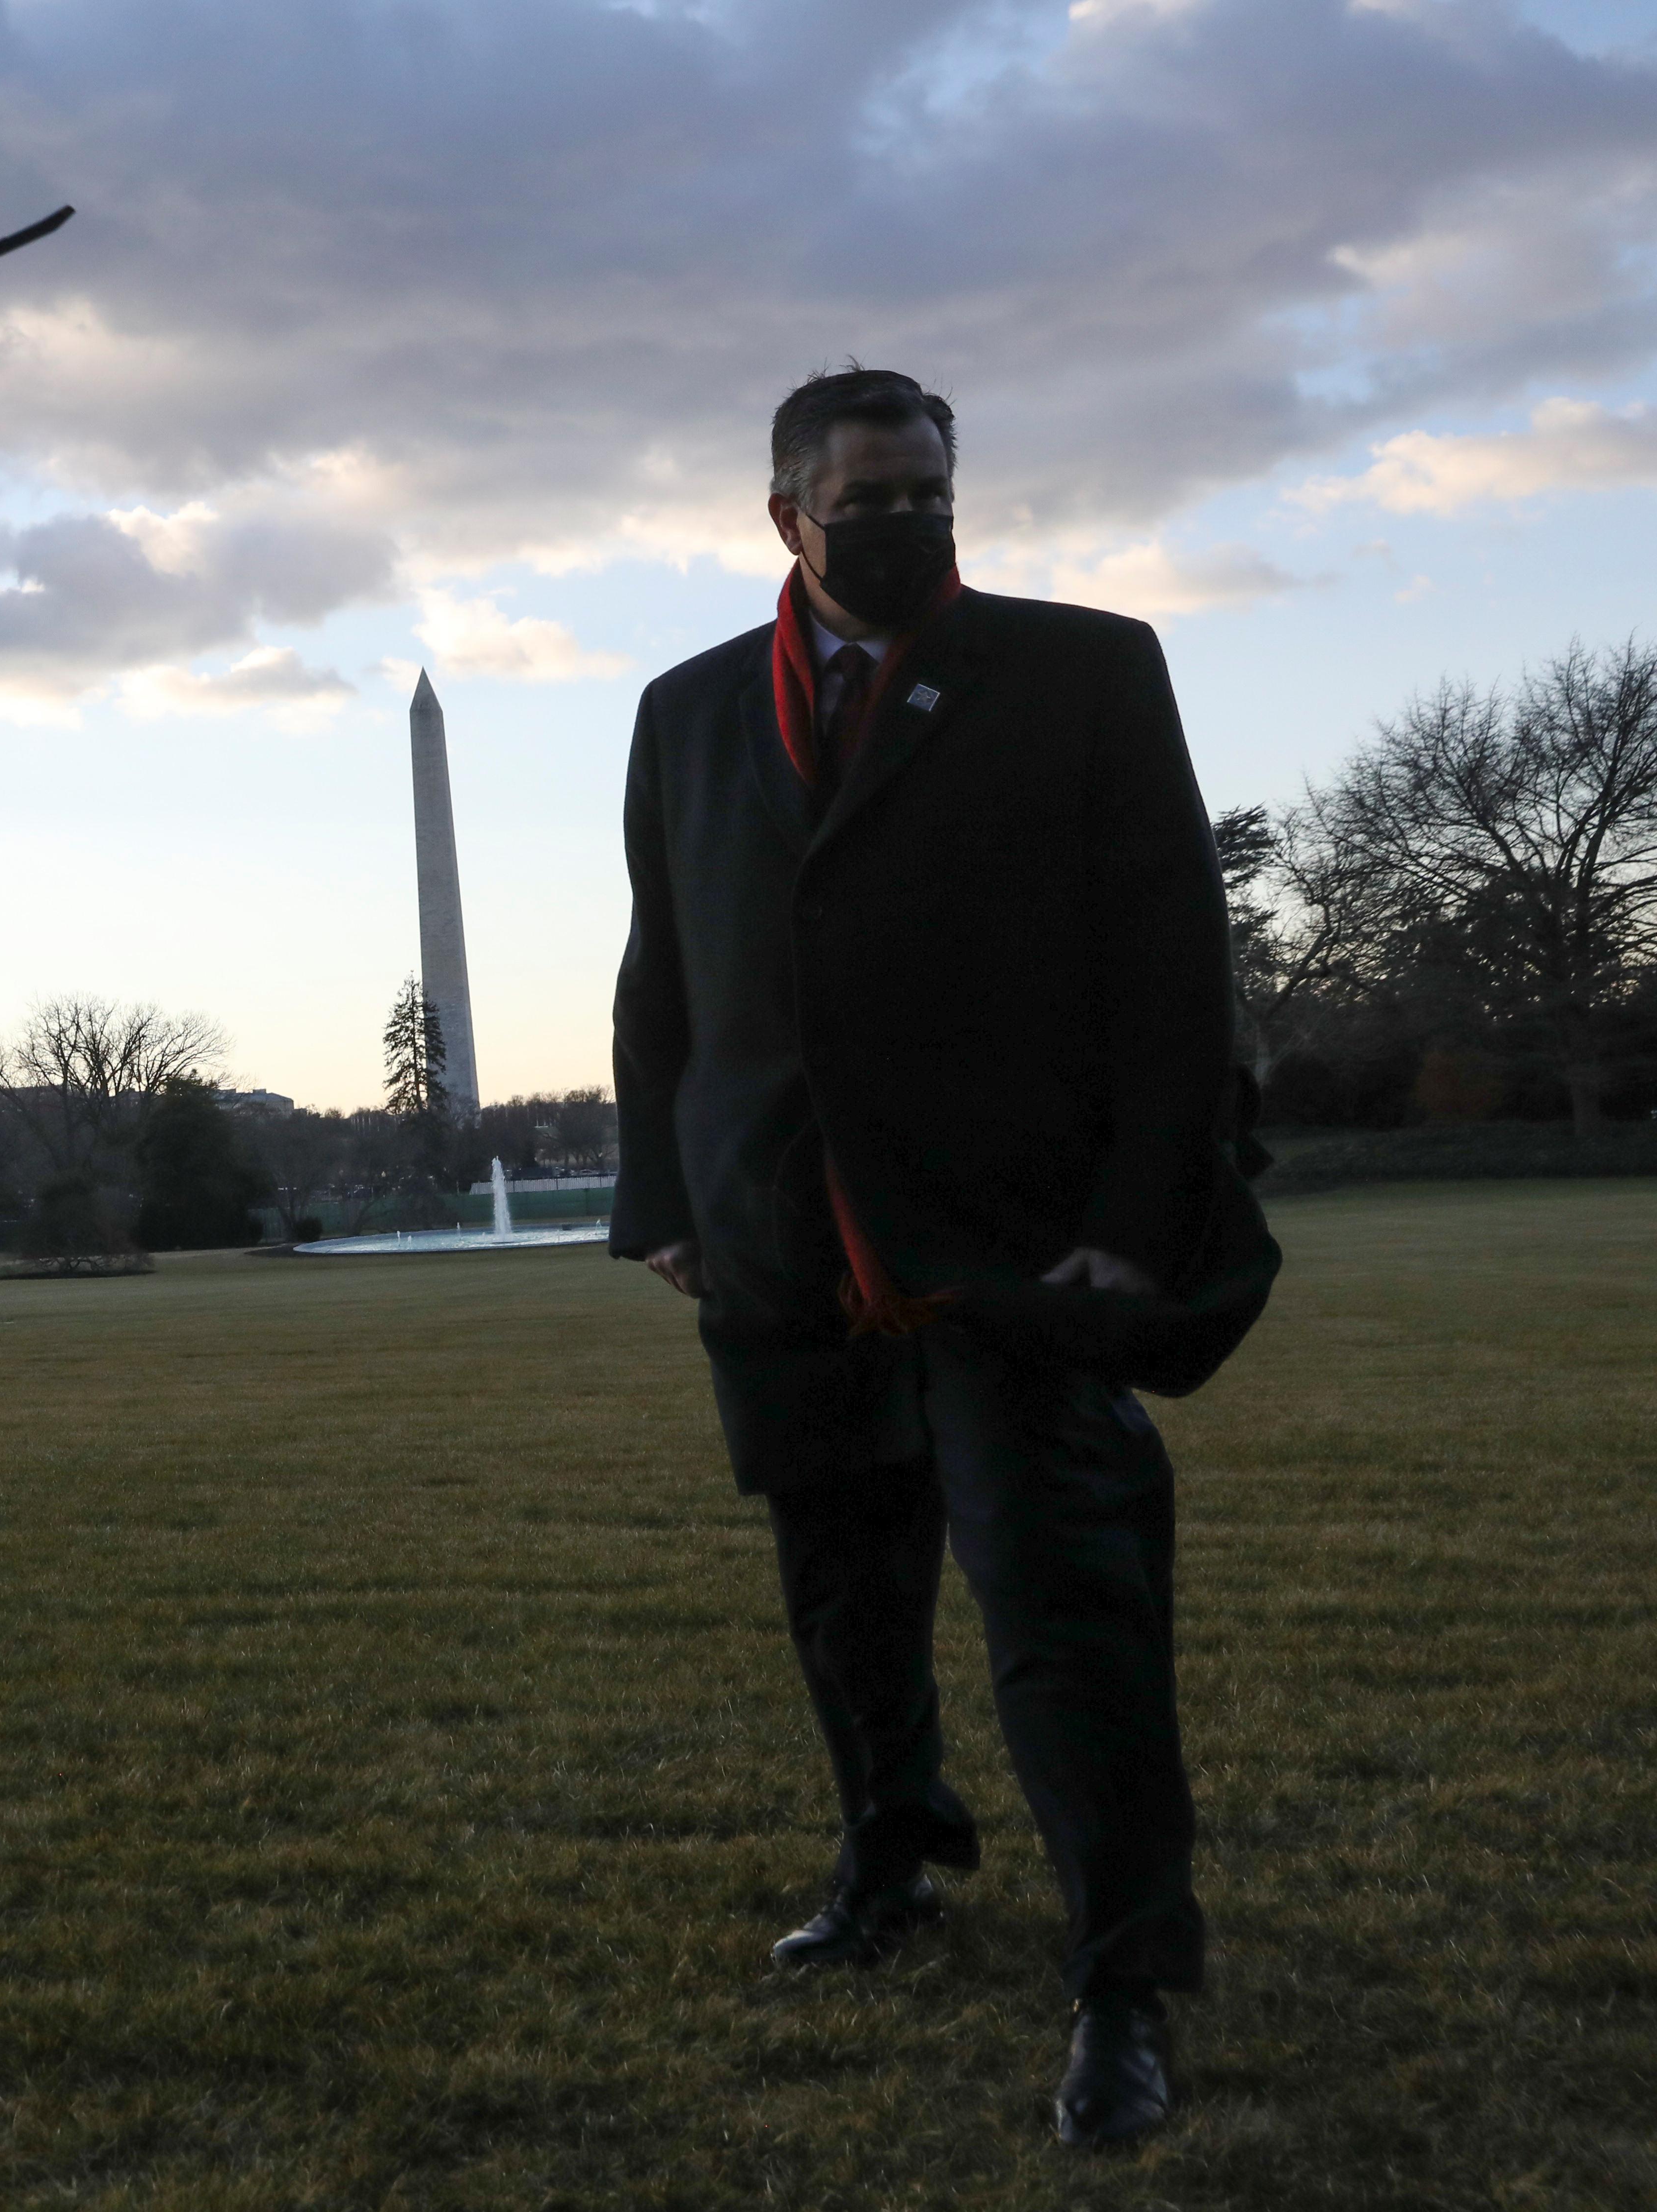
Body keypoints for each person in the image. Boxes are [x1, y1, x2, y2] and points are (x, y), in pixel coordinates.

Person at [606, 365, 1274, 2149]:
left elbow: (1171, 966)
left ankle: (1123, 1976)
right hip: (780, 1243)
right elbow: (665, 975)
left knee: (1070, 1614)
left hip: (1015, 1250)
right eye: (868, 502)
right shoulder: (685, 716)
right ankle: (892, 1856)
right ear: (786, 516)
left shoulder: (1087, 670)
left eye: (929, 496)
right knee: (847, 1603)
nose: (906, 525)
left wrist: (1141, 1224)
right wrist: (658, 1198)